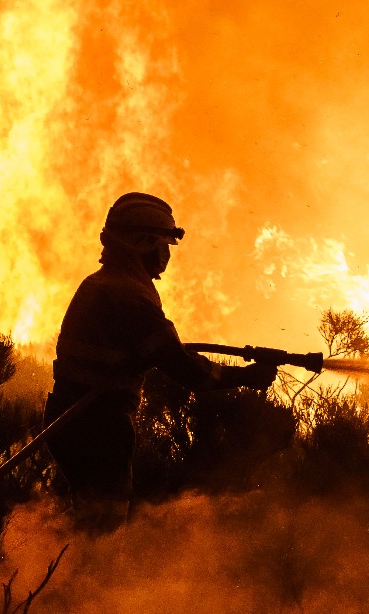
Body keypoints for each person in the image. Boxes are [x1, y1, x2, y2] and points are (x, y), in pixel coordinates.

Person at [44, 192, 276, 533]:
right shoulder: (129, 295)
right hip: (97, 423)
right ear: (142, 242)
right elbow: (180, 365)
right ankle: (91, 580)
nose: (166, 254)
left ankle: (67, 574)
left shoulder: (100, 284)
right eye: (163, 244)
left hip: (71, 416)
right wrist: (242, 377)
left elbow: (157, 351)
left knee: (87, 517)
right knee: (102, 529)